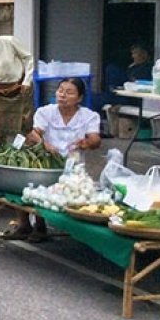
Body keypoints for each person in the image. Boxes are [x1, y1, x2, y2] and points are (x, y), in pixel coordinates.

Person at [18, 78, 102, 242]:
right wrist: (45, 144)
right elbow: (33, 133)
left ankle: (73, 227)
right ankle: (34, 224)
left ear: (79, 98)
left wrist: (86, 143)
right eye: (60, 90)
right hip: (47, 163)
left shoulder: (89, 116)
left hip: (73, 168)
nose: (62, 95)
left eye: (69, 92)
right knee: (28, 183)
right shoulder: (45, 112)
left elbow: (95, 140)